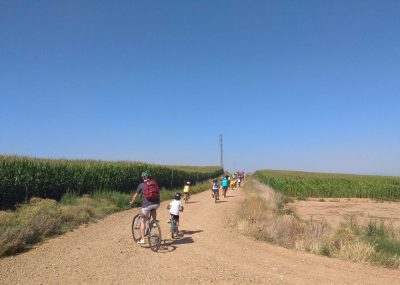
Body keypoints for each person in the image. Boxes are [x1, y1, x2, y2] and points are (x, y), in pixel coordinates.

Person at [130, 171, 160, 244]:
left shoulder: (141, 185)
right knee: (153, 210)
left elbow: (136, 195)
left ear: (143, 177)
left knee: (142, 221)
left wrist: (132, 202)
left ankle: (143, 239)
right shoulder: (154, 183)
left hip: (146, 205)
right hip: (157, 204)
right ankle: (154, 222)